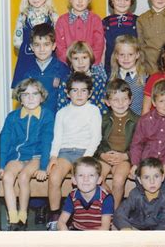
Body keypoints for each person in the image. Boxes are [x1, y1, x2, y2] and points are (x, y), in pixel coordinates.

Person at [46, 72, 102, 230]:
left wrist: (85, 159)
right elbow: (57, 138)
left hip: (85, 152)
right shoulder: (62, 113)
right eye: (75, 90)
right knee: (54, 177)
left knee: (84, 178)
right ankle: (55, 216)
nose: (79, 94)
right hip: (65, 152)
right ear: (67, 92)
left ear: (90, 93)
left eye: (83, 90)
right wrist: (53, 157)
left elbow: (96, 138)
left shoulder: (93, 110)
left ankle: (81, 218)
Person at [0, 79, 54, 230]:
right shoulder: (12, 117)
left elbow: (46, 142)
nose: (30, 98)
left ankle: (23, 217)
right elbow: (3, 140)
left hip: (36, 156)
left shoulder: (47, 115)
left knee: (24, 177)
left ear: (41, 97)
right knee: (7, 177)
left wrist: (43, 167)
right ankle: (13, 218)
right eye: (25, 94)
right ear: (20, 98)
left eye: (35, 94)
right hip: (17, 156)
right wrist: (0, 164)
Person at [129, 79, 165, 193]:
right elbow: (137, 144)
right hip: (146, 163)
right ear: (154, 102)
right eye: (162, 101)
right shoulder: (145, 120)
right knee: (142, 184)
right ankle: (143, 209)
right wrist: (135, 164)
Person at [94, 79, 139, 210]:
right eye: (115, 100)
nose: (120, 103)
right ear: (107, 102)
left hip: (124, 158)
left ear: (130, 100)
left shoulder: (137, 120)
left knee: (118, 180)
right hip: (105, 156)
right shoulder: (103, 119)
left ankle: (115, 211)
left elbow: (140, 144)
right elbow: (97, 141)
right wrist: (103, 154)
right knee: (95, 178)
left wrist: (126, 156)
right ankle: (109, 202)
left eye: (124, 99)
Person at [12, 0, 58, 87]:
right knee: (27, 90)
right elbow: (17, 41)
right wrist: (29, 47)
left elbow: (58, 38)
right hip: (27, 59)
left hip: (48, 60)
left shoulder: (52, 15)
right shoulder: (23, 16)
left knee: (47, 88)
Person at [19, 23, 70, 114]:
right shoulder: (28, 72)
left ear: (54, 46)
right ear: (32, 47)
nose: (42, 49)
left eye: (46, 44)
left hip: (56, 120)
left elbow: (68, 99)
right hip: (35, 121)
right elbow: (24, 99)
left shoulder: (63, 69)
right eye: (37, 45)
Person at [113, 157, 165, 230]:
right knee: (116, 227)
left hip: (158, 231)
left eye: (156, 176)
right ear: (140, 180)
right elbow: (120, 213)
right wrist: (125, 227)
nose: (152, 181)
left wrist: (155, 236)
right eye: (146, 177)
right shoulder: (135, 194)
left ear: (162, 178)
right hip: (137, 229)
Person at [55, 0, 104, 65]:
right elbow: (59, 47)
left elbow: (98, 46)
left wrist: (88, 63)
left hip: (90, 66)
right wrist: (72, 63)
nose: (80, 1)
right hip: (67, 66)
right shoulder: (62, 21)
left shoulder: (95, 20)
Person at [57, 157, 113, 230]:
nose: (86, 179)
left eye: (91, 175)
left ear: (99, 180)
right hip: (78, 231)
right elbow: (61, 222)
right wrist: (66, 233)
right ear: (74, 180)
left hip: (99, 233)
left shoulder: (106, 198)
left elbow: (105, 228)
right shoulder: (72, 196)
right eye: (81, 175)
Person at [57, 41, 108, 114]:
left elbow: (103, 108)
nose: (80, 62)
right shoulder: (65, 81)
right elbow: (61, 108)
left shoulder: (98, 80)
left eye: (84, 57)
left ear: (90, 59)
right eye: (76, 58)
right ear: (70, 61)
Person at [103, 0, 139, 76]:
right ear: (111, 0)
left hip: (133, 70)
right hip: (110, 70)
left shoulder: (137, 21)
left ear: (132, 0)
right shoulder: (105, 22)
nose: (122, 3)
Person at [109, 35, 148, 115]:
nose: (126, 58)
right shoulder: (113, 77)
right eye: (122, 55)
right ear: (116, 55)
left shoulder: (145, 77)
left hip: (138, 122)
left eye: (130, 54)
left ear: (137, 55)